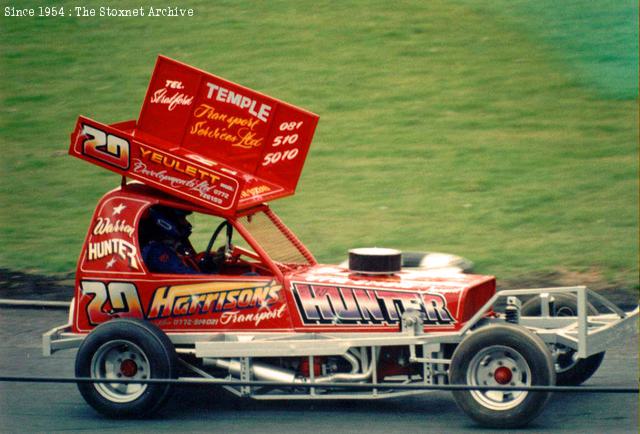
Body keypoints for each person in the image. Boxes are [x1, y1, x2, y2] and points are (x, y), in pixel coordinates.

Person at [139, 206, 201, 274]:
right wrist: (214, 277)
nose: (186, 223)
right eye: (182, 218)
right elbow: (185, 274)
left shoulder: (175, 243)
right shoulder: (157, 251)